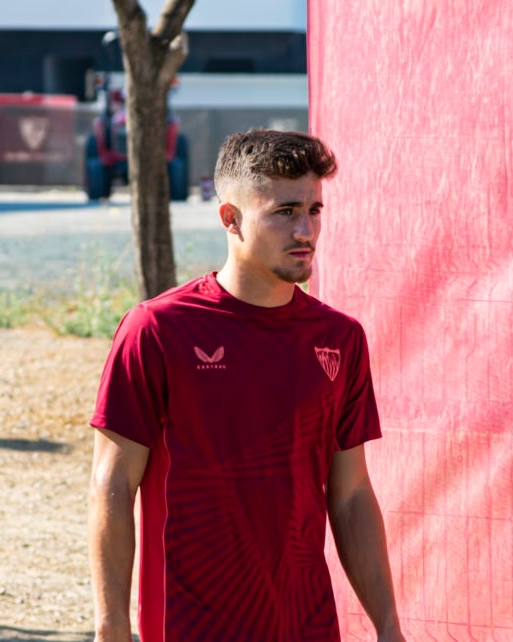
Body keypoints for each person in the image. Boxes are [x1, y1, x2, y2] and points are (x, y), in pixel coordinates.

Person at [89, 129, 406, 642]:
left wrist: (389, 629)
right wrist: (111, 628)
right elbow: (113, 484)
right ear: (230, 218)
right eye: (284, 211)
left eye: (315, 210)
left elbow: (349, 496)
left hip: (307, 626)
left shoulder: (340, 339)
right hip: (187, 627)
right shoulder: (158, 329)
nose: (305, 230)